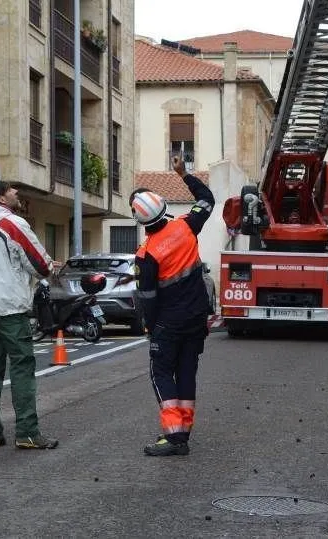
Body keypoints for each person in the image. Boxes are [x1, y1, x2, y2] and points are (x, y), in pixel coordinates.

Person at [132, 155, 215, 457]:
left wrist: (151, 329)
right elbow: (206, 199)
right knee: (187, 373)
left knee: (162, 374)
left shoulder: (146, 254)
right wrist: (185, 174)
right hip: (196, 319)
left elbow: (148, 299)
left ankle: (174, 436)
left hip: (168, 324)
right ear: (164, 208)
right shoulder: (186, 227)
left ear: (140, 221)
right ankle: (185, 432)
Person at [0, 181, 59, 450]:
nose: (17, 193)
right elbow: (41, 265)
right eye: (12, 190)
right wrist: (49, 266)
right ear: (1, 197)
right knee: (22, 366)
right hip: (9, 306)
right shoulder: (13, 223)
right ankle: (28, 432)